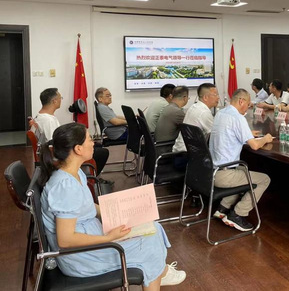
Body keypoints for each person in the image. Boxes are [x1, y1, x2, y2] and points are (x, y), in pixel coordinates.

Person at [40, 123, 186, 289]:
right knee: (150, 245)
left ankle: (159, 272)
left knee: (153, 227)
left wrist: (117, 214)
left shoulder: (75, 172)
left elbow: (84, 206)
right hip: (81, 257)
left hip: (90, 242)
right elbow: (65, 240)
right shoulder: (65, 187)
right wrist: (109, 238)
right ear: (78, 149)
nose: (93, 142)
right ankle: (158, 272)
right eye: (89, 139)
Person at [209, 89, 273, 232]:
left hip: (212, 170)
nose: (248, 107)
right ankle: (238, 214)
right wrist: (265, 139)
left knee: (242, 169)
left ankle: (223, 208)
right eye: (248, 104)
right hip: (224, 174)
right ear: (241, 101)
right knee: (264, 179)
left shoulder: (220, 113)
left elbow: (229, 133)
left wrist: (247, 133)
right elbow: (255, 145)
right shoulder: (238, 118)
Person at [33, 87, 109, 175]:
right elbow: (54, 144)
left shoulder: (41, 116)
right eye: (60, 98)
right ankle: (90, 178)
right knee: (102, 152)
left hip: (58, 149)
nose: (61, 100)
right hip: (60, 154)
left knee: (96, 145)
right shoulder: (48, 120)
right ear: (54, 101)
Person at [172, 83, 219, 152]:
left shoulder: (194, 106)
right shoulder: (204, 112)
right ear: (205, 97)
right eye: (215, 95)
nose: (218, 97)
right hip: (189, 154)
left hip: (180, 151)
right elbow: (216, 136)